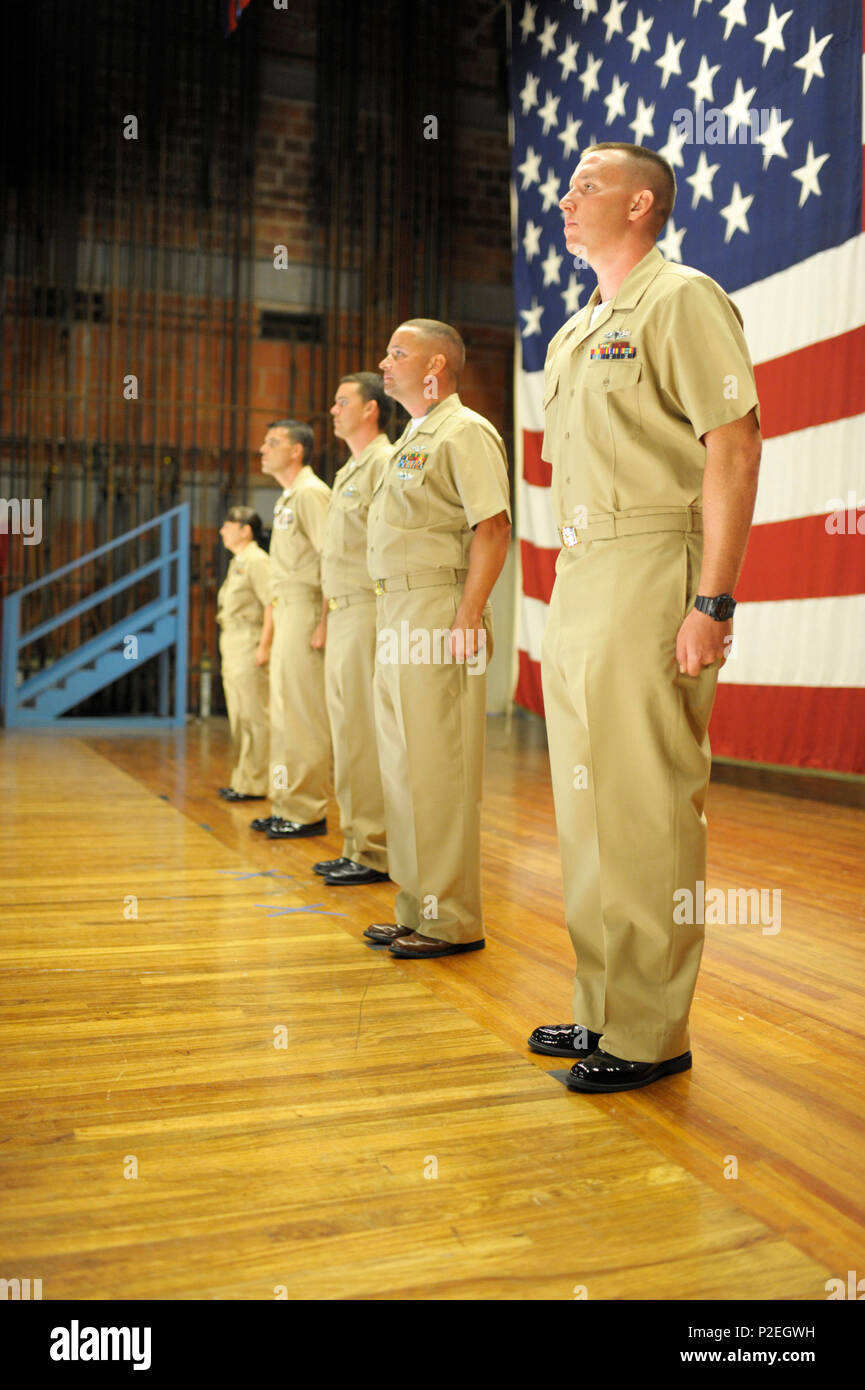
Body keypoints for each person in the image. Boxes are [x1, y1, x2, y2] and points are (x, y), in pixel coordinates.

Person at [528, 142, 762, 1092]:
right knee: (586, 810)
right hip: (581, 573)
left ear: (641, 205)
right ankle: (604, 1007)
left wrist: (710, 599)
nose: (565, 198)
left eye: (586, 186)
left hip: (651, 563)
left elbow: (734, 446)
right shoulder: (573, 330)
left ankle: (652, 1031)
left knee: (647, 801)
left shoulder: (680, 298)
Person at [363, 319, 511, 958]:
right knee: (402, 768)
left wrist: (468, 614)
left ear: (436, 368)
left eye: (399, 351)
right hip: (393, 609)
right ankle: (418, 904)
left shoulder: (465, 431)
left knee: (440, 767)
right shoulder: (410, 439)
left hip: (436, 605)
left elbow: (493, 526)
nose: (385, 361)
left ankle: (451, 918)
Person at [314, 373, 393, 886]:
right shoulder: (349, 470)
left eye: (343, 401)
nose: (333, 410)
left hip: (368, 609)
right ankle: (356, 841)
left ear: (371, 410)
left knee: (363, 733)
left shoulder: (385, 463)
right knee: (345, 734)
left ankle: (374, 848)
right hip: (342, 611)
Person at [249, 420, 333, 840]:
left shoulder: (311, 494)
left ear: (297, 450)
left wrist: (325, 619)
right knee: (283, 715)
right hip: (285, 610)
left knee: (304, 715)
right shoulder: (288, 498)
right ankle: (285, 802)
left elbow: (331, 557)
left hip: (304, 609)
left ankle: (307, 809)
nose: (263, 449)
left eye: (273, 442)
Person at [215, 507, 271, 802]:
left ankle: (257, 783)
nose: (222, 531)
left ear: (245, 529)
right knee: (239, 716)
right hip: (233, 640)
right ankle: (243, 779)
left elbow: (271, 604)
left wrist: (265, 646)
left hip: (250, 640)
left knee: (254, 715)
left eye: (228, 525)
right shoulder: (239, 561)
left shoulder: (257, 561)